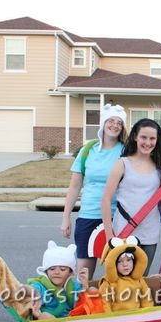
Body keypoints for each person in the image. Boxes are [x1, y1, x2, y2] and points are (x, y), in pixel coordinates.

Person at [101, 118, 161, 275]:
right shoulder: (122, 163)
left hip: (149, 234)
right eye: (144, 137)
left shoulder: (160, 167)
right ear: (135, 136)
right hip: (123, 232)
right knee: (120, 281)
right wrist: (110, 235)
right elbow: (106, 199)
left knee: (141, 280)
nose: (147, 143)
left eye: (152, 138)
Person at [61, 103, 127, 281]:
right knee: (84, 275)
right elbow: (74, 187)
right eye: (111, 121)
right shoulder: (87, 150)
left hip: (116, 219)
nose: (114, 125)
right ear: (103, 124)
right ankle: (82, 306)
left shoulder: (126, 151)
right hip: (87, 216)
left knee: (116, 274)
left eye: (119, 123)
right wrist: (66, 217)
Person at [29, 240, 88, 319]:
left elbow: (81, 308)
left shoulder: (75, 287)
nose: (57, 272)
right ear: (46, 271)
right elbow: (29, 291)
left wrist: (85, 287)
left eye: (62, 269)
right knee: (45, 316)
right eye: (52, 269)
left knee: (92, 290)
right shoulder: (40, 286)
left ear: (70, 272)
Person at [98, 239, 154, 312]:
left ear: (134, 262)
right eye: (119, 261)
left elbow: (147, 300)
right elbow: (105, 305)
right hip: (117, 320)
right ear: (113, 264)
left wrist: (147, 315)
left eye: (128, 260)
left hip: (136, 318)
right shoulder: (107, 283)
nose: (125, 265)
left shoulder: (139, 280)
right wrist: (110, 320)